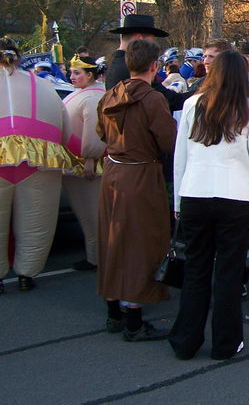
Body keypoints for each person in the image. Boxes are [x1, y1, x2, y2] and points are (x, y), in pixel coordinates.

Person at [169, 50, 249, 359]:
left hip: (195, 193)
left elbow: (181, 157)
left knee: (196, 269)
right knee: (229, 273)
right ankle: (226, 343)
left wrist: (178, 199)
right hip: (236, 197)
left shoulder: (192, 104)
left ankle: (185, 341)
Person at [96, 40, 176, 340]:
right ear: (154, 65)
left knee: (112, 239)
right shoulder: (153, 99)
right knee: (142, 244)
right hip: (142, 173)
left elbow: (101, 133)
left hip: (114, 173)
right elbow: (169, 142)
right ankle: (133, 319)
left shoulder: (108, 97)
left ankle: (113, 310)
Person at [0, 37, 73, 293]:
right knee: (36, 221)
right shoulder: (43, 85)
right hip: (39, 159)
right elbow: (65, 129)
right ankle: (26, 274)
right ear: (19, 58)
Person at [62, 54, 107, 271]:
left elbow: (94, 129)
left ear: (91, 75)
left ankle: (97, 258)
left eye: (77, 73)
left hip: (86, 164)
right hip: (76, 161)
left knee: (91, 212)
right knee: (86, 213)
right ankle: (94, 256)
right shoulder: (85, 93)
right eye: (71, 72)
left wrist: (90, 158)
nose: (72, 76)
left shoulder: (94, 96)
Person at [105, 14, 170, 88]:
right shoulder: (136, 66)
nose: (153, 45)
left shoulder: (114, 63)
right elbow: (159, 94)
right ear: (139, 39)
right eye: (152, 40)